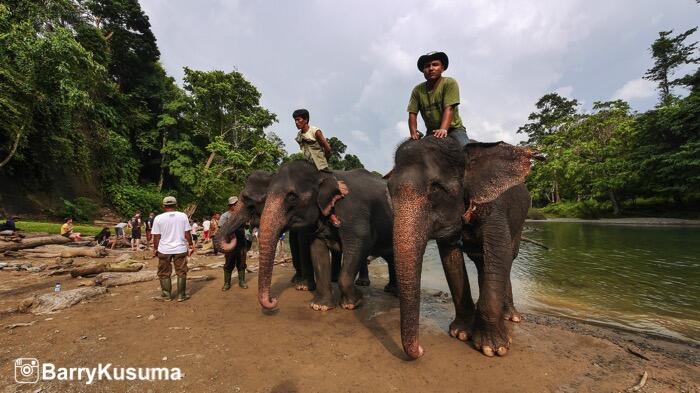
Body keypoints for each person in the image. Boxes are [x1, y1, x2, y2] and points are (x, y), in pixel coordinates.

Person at [292, 109, 343, 227]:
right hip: (308, 166)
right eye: (295, 120)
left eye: (298, 120)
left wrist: (324, 161)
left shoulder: (315, 131)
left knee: (326, 190)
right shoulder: (299, 135)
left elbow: (328, 148)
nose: (296, 122)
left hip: (320, 166)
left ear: (305, 120)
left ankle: (332, 215)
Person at [407, 51, 469, 147]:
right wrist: (413, 133)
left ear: (442, 68)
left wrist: (443, 129)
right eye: (427, 66)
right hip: (432, 132)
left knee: (467, 150)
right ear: (423, 70)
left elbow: (449, 108)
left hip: (454, 129)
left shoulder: (449, 83)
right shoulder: (417, 90)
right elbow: (412, 113)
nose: (431, 68)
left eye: (435, 65)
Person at [151, 196, 195, 302]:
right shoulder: (183, 216)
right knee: (181, 272)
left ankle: (166, 295)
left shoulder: (158, 218)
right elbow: (187, 233)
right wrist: (190, 245)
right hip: (180, 249)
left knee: (164, 272)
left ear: (163, 206)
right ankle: (181, 295)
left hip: (164, 250)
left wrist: (155, 249)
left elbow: (156, 236)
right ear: (176, 205)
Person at [219, 196, 249, 290]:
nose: (237, 206)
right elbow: (221, 229)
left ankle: (242, 281)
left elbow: (247, 227)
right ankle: (227, 283)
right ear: (231, 205)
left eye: (238, 204)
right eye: (235, 204)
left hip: (241, 242)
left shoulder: (243, 215)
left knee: (242, 262)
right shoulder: (225, 216)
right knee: (229, 263)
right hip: (229, 242)